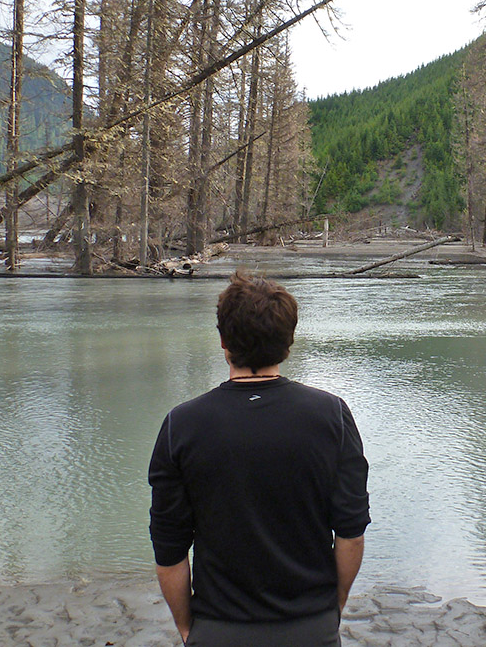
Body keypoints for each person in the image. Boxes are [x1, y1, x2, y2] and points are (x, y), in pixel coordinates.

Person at [148, 271, 370, 646]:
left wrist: (189, 628)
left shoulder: (181, 426)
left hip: (219, 628)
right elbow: (350, 532)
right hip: (310, 625)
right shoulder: (331, 415)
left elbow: (169, 550)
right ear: (288, 343)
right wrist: (334, 607)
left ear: (222, 340)